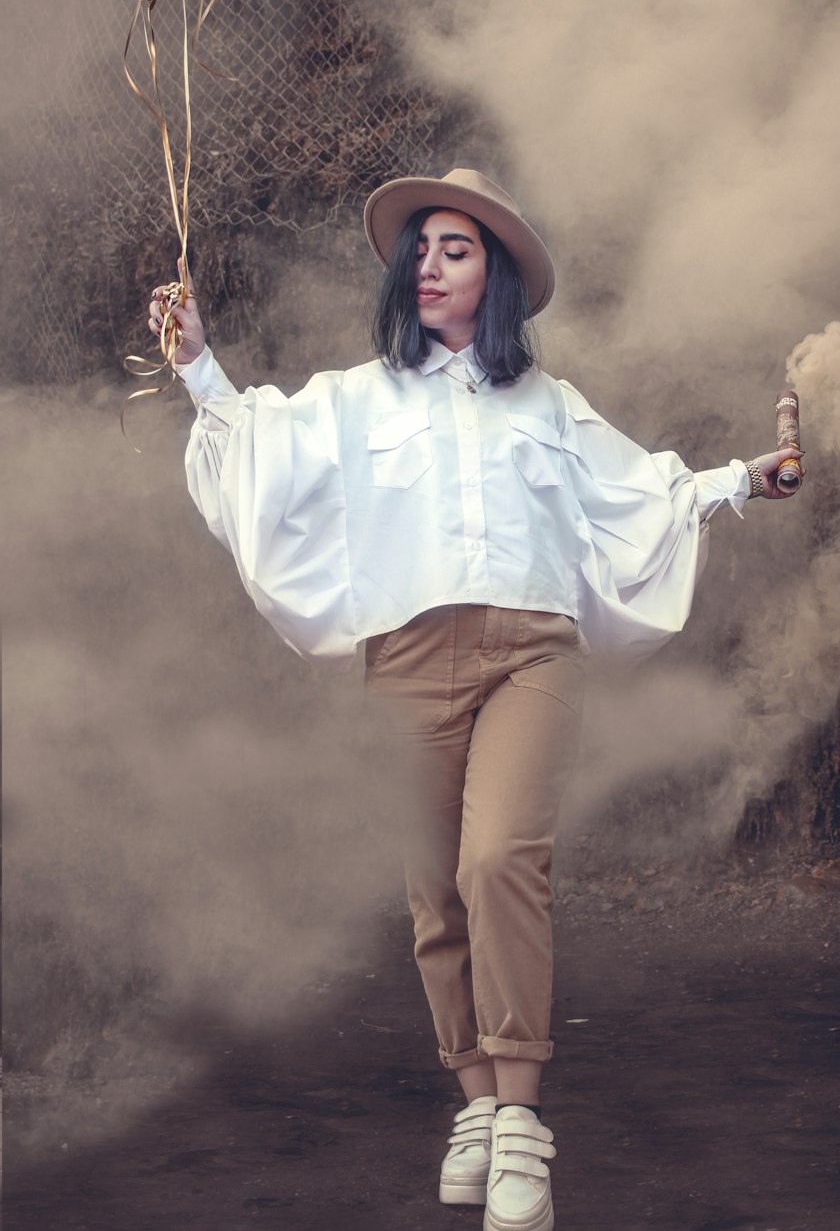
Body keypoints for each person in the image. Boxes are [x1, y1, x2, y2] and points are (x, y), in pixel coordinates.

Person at [147, 168, 803, 1231]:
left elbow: (644, 490)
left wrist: (743, 479)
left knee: (498, 860)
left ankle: (522, 1130)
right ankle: (477, 1106)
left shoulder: (549, 405)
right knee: (433, 894)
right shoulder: (357, 398)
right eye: (419, 249)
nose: (430, 265)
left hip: (528, 656)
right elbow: (253, 442)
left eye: (455, 249)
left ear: (493, 272)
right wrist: (196, 363)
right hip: (404, 661)